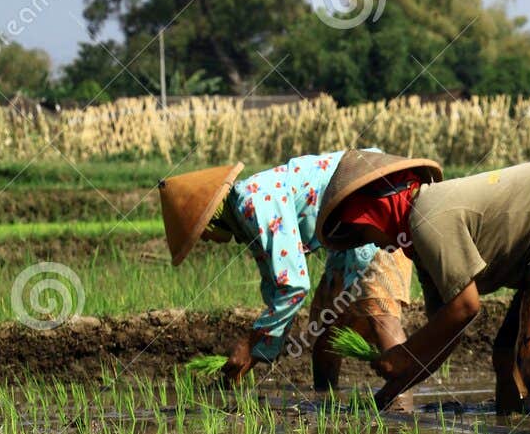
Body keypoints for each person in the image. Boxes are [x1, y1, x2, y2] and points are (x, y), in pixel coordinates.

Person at [318, 160, 530, 415]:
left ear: (378, 210)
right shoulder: (421, 247)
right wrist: (386, 396)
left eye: (361, 229)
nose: (368, 241)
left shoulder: (426, 216)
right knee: (506, 356)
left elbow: (466, 307)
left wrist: (402, 354)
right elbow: (446, 334)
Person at [156, 149, 440, 389]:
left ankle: (404, 417)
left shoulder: (251, 202)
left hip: (376, 203)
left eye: (200, 234)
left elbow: (294, 286)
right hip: (348, 231)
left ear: (210, 218)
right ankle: (328, 415)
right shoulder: (248, 218)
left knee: (380, 313)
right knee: (327, 332)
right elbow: (277, 288)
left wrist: (250, 341)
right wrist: (256, 351)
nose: (205, 240)